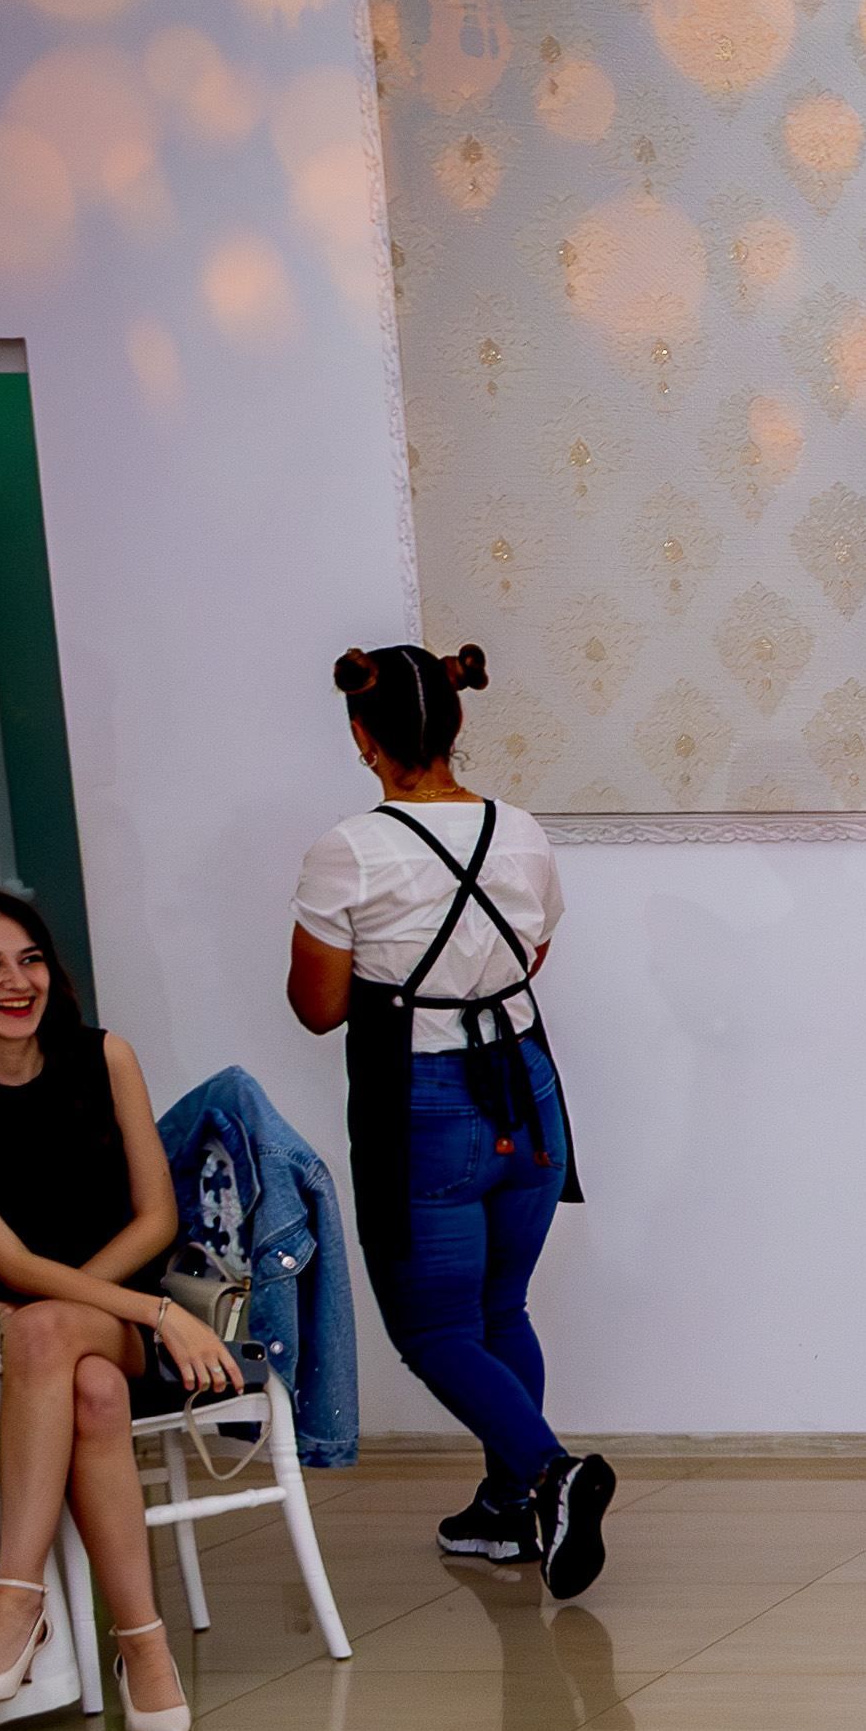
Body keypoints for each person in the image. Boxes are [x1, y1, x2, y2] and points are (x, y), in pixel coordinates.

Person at [288, 645, 610, 1593]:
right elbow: (530, 954)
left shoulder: (348, 849)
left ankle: (552, 1476)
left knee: (434, 1332)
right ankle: (508, 1511)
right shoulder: (521, 830)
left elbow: (318, 1007)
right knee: (500, 1309)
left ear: (364, 737)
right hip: (528, 1089)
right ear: (458, 723)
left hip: (425, 1103)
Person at [0, 889, 240, 1731]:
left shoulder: (103, 1055)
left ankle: (16, 1605)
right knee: (92, 1392)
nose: (18, 982)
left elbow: (155, 1220)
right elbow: (7, 1260)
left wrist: (128, 1307)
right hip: (64, 1323)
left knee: (46, 1330)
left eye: (31, 959)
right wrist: (148, 1309)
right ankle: (143, 1647)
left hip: (110, 1320)